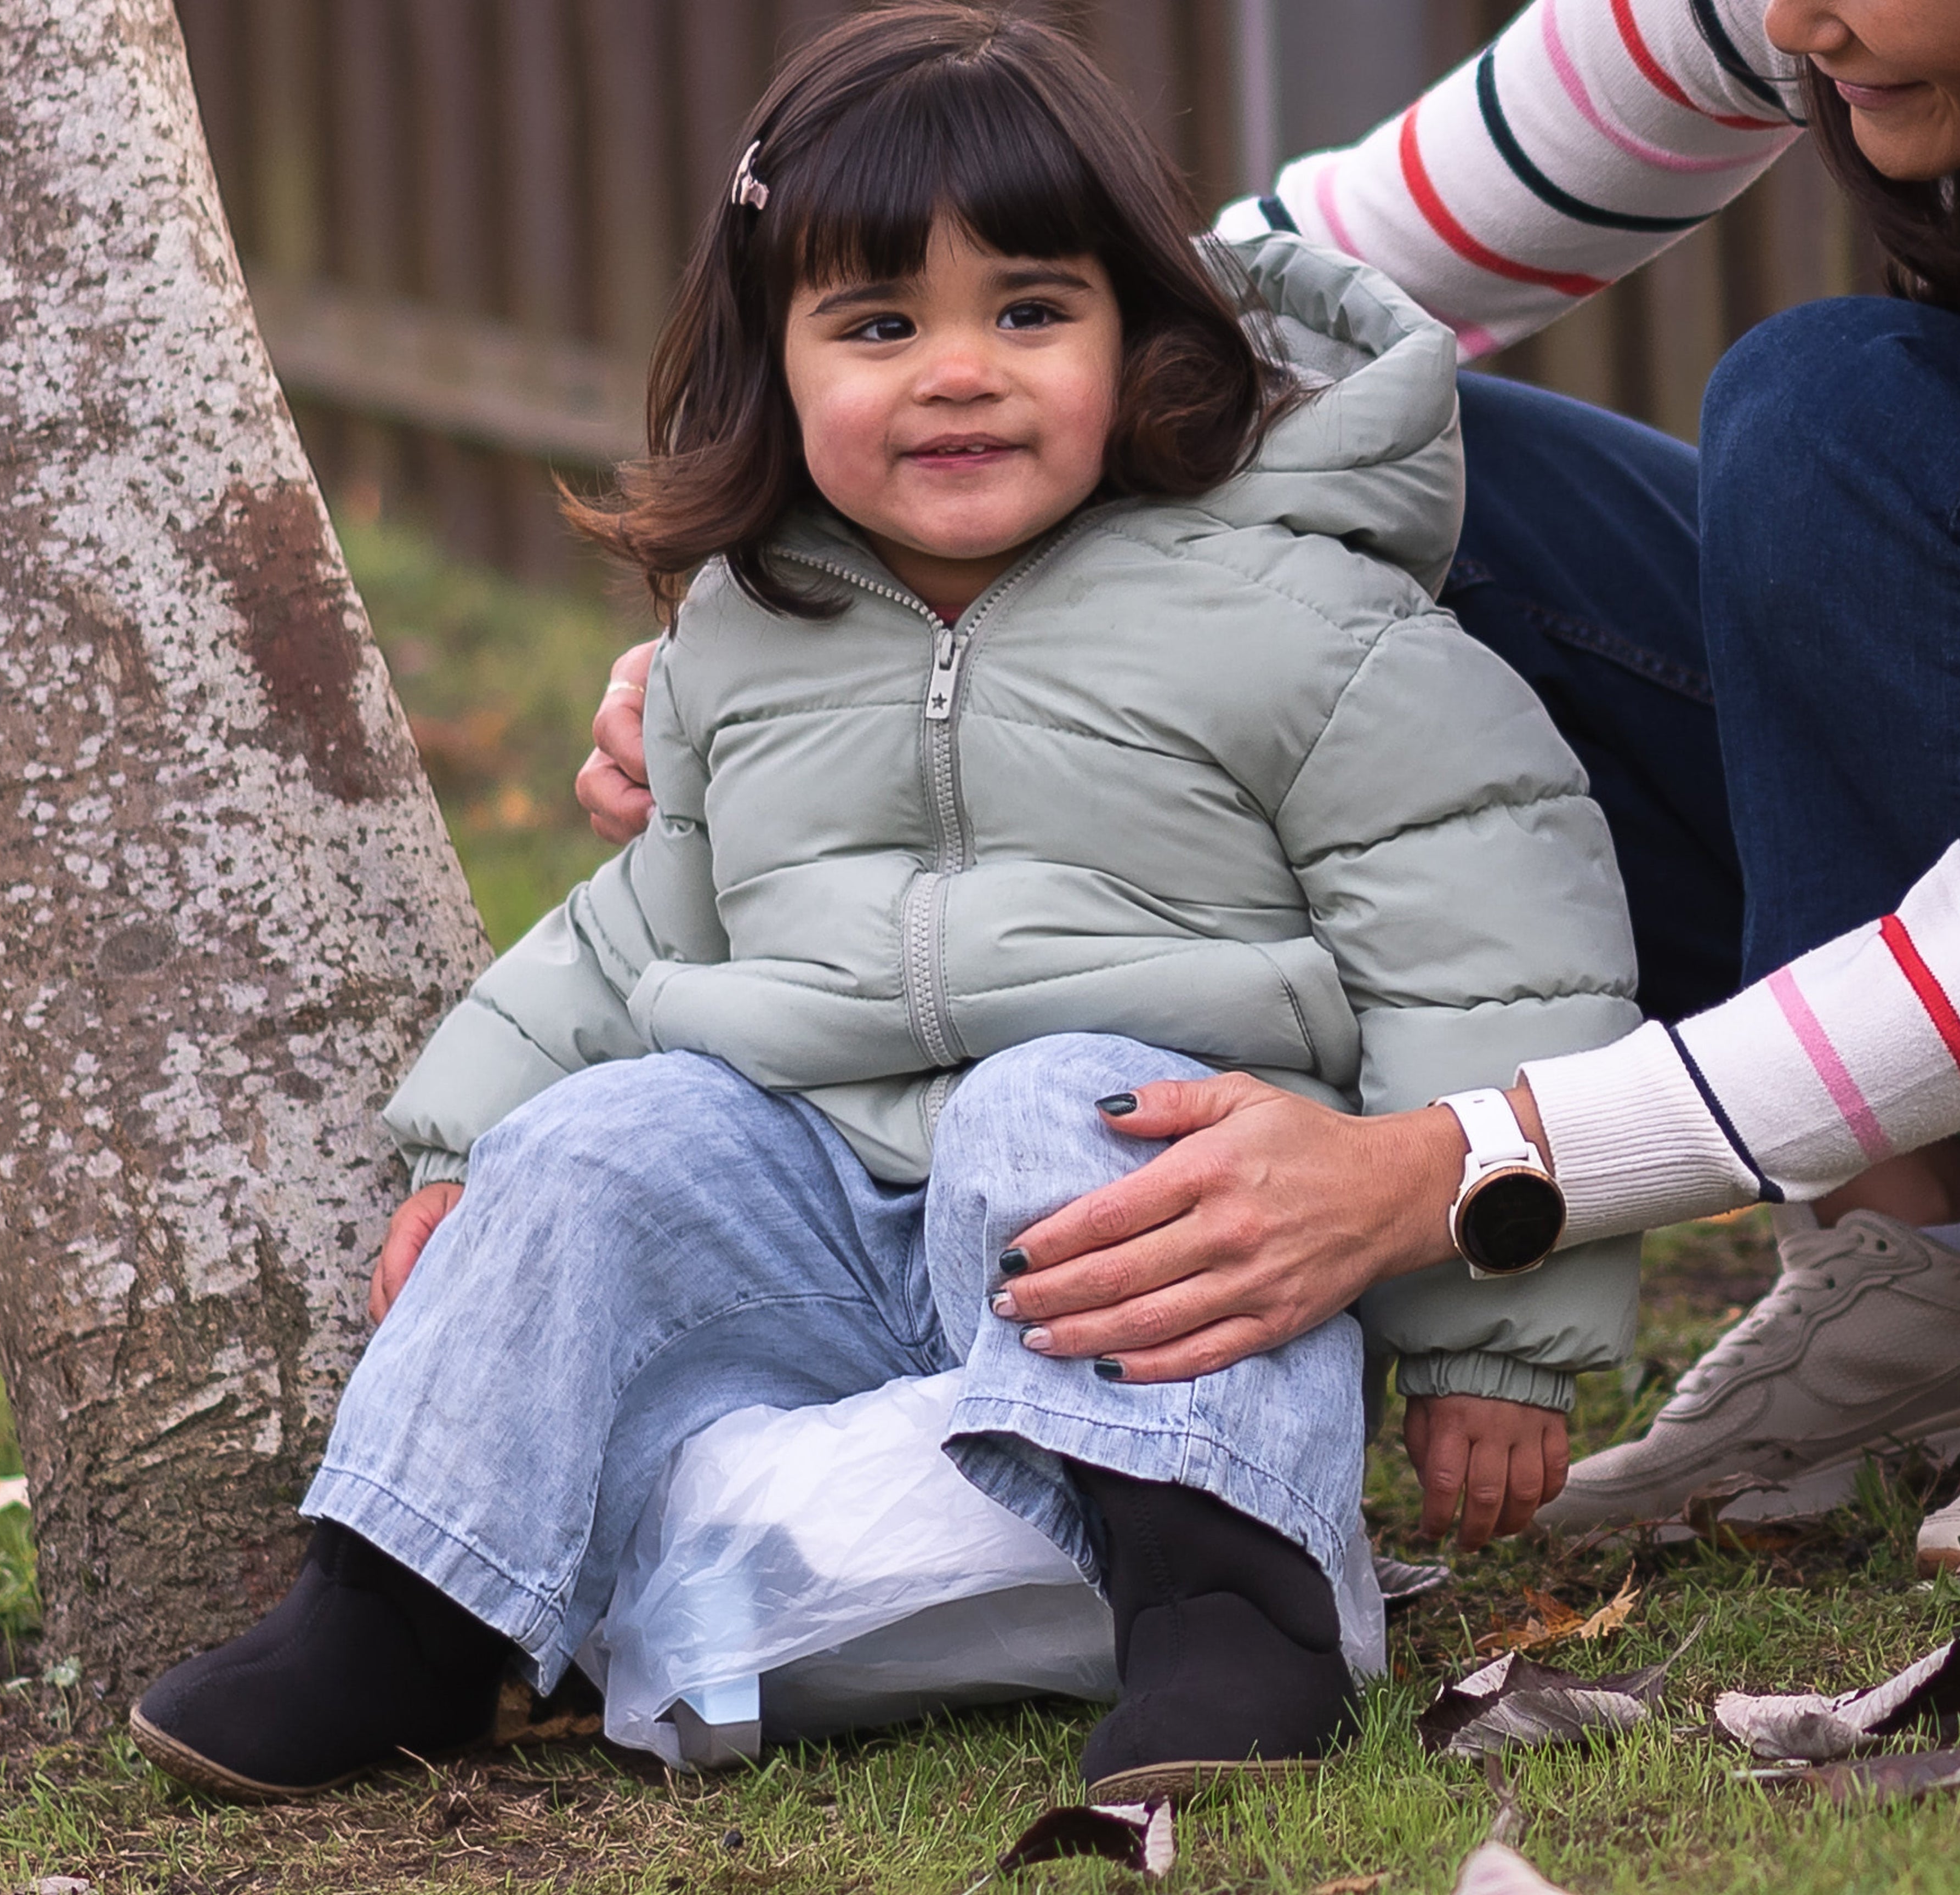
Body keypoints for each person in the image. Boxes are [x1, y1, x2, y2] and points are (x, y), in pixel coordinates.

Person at [133, 4, 1644, 1805]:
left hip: (1146, 1242)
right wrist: (475, 1138)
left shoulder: (1297, 614)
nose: (958, 371)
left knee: (1060, 1096)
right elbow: (651, 924)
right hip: (831, 1231)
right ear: (773, 367)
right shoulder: (751, 636)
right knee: (617, 1135)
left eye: (1028, 309)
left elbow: (1493, 947)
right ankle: (409, 1612)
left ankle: (1232, 1609)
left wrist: (1496, 1322)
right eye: (877, 325)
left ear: (1138, 333)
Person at [567, 0, 1960, 1561]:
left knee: (1812, 407)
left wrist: (1455, 1177)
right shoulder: (1787, 17)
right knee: (1430, 478)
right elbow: (1250, 311)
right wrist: (793, 649)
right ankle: (1929, 1270)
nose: (1799, 18)